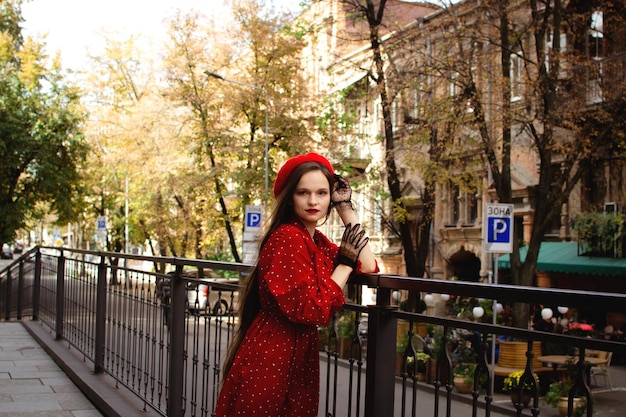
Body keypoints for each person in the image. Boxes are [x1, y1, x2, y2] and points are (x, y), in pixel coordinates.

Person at [214, 152, 378, 417]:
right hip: (273, 356)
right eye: (303, 192)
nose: (313, 201)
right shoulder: (288, 239)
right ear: (290, 197)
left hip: (295, 354)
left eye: (322, 193)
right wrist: (345, 264)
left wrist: (346, 209)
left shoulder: (315, 241)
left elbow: (369, 264)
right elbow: (311, 310)